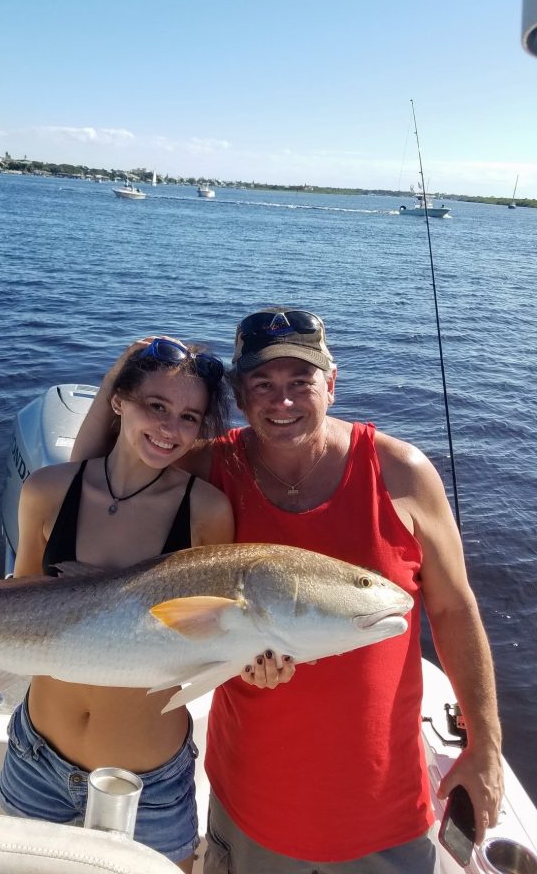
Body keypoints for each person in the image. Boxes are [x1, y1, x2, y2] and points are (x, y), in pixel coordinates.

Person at [72, 307, 503, 874]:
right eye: (262, 384)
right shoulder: (207, 469)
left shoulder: (402, 473)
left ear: (331, 382)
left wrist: (485, 745)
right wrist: (119, 379)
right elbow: (90, 480)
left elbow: (453, 606)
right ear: (240, 395)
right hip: (252, 807)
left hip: (387, 811)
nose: (283, 401)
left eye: (300, 381)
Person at [0, 337, 235, 872]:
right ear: (118, 400)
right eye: (155, 406)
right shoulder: (46, 491)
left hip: (150, 777)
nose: (169, 428)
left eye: (189, 416)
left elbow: (216, 626)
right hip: (37, 756)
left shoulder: (206, 510)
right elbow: (21, 606)